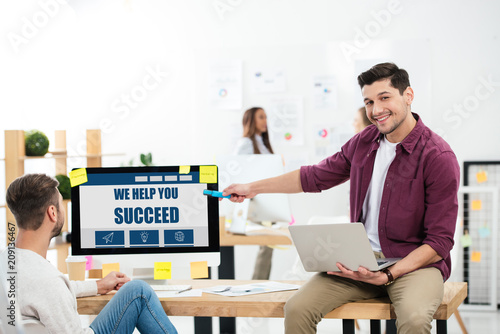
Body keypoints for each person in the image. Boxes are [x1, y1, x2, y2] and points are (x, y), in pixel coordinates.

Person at [223, 62, 460, 334]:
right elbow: (313, 176)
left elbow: (440, 242)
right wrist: (252, 188)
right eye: (369, 102)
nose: (376, 110)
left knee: (415, 320)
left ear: (408, 96)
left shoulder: (438, 157)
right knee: (297, 309)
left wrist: (388, 275)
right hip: (360, 263)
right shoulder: (363, 142)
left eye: (385, 98)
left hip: (414, 266)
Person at [1, 173, 178, 334]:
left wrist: (98, 285)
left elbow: (43, 290)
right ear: (52, 212)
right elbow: (51, 291)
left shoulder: (6, 261)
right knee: (138, 290)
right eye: (61, 203)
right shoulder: (49, 282)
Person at [233, 106, 275, 280]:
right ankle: (259, 281)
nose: (265, 121)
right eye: (260, 117)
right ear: (251, 120)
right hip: (255, 201)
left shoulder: (261, 143)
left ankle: (261, 280)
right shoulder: (246, 143)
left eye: (265, 117)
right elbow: (237, 168)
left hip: (267, 199)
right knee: (267, 242)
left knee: (269, 243)